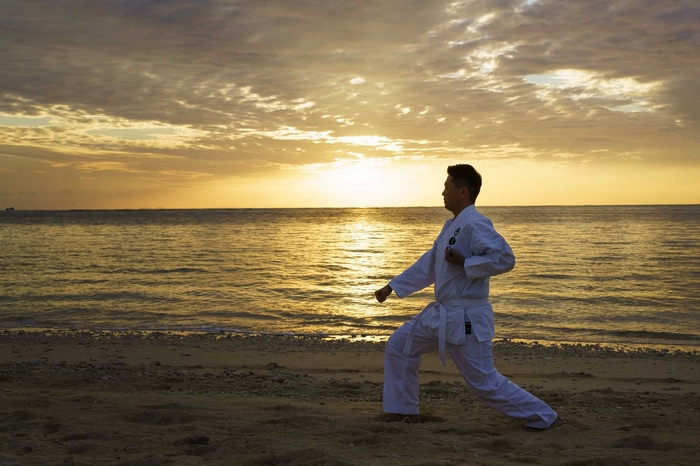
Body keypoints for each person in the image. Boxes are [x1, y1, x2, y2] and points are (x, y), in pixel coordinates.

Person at [374, 164, 562, 430]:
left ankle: (546, 417)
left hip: (467, 318)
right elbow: (430, 264)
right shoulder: (450, 226)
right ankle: (402, 411)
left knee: (484, 385)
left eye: (446, 187)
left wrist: (466, 262)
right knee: (400, 346)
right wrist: (393, 286)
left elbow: (505, 258)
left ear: (462, 191)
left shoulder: (476, 223)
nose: (442, 192)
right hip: (442, 315)